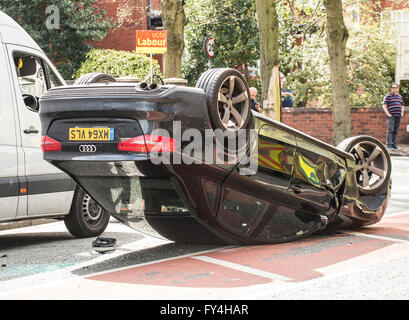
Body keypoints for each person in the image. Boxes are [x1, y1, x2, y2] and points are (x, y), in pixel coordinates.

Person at [382, 83, 405, 150]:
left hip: (398, 116)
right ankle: (389, 145)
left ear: (397, 89)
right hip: (391, 116)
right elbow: (384, 106)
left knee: (395, 130)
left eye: (396, 87)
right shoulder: (387, 96)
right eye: (393, 87)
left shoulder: (399, 97)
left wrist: (402, 113)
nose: (394, 89)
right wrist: (388, 114)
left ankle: (394, 145)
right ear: (391, 88)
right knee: (390, 130)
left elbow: (402, 105)